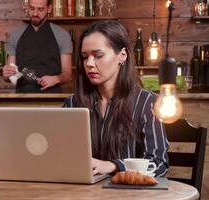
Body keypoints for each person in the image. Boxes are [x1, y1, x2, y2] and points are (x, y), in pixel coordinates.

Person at [63, 20, 169, 177]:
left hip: (128, 194)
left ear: (122, 56)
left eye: (98, 55)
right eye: (85, 57)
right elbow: (61, 156)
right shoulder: (73, 103)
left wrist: (113, 166)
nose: (89, 64)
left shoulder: (147, 101)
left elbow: (159, 163)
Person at [2, 0, 72, 93]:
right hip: (22, 97)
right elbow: (11, 74)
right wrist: (7, 74)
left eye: (40, 9)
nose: (35, 13)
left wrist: (56, 79)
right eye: (32, 8)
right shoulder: (15, 36)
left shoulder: (62, 35)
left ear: (49, 8)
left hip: (52, 97)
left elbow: (68, 74)